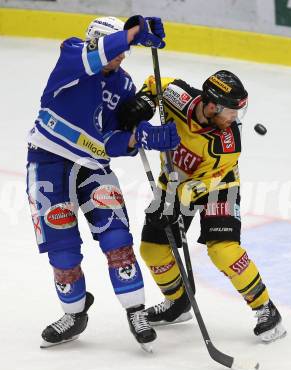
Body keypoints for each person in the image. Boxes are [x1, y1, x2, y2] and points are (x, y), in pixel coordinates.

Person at [26, 15, 180, 351]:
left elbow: (109, 137)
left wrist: (143, 136)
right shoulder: (73, 53)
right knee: (62, 252)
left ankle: (135, 311)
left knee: (116, 239)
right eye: (120, 49)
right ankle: (75, 314)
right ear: (97, 40)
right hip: (47, 162)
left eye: (126, 50)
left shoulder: (123, 84)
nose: (123, 57)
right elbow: (94, 56)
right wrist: (132, 34)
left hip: (92, 167)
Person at [118, 70, 286, 342]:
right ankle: (178, 302)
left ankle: (265, 308)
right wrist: (145, 103)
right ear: (211, 106)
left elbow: (208, 182)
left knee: (223, 250)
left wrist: (174, 202)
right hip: (173, 184)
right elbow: (154, 84)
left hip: (219, 188)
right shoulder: (179, 96)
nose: (235, 119)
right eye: (231, 111)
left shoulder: (227, 143)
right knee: (152, 249)